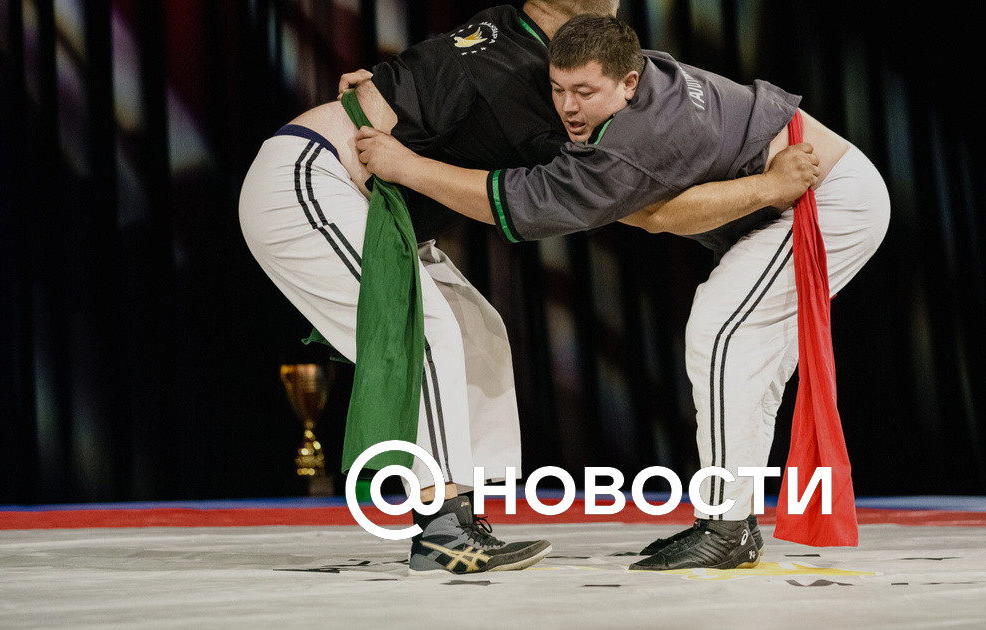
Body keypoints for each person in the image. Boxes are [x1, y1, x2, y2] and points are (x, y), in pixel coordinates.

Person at [239, 2, 820, 575]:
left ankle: (464, 511)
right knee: (425, 329)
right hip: (307, 180)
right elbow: (395, 97)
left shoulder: (572, 66)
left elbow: (611, 198)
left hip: (379, 215)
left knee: (476, 331)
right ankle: (440, 526)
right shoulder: (497, 49)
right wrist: (366, 99)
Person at [353, 14, 890, 571]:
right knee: (744, 356)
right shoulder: (631, 80)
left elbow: (614, 212)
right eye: (558, 89)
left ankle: (727, 527)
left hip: (829, 200)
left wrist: (409, 166)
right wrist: (388, 91)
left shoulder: (639, 136)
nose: (568, 107)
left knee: (722, 329)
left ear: (628, 85)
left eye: (584, 92)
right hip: (803, 192)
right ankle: (734, 523)